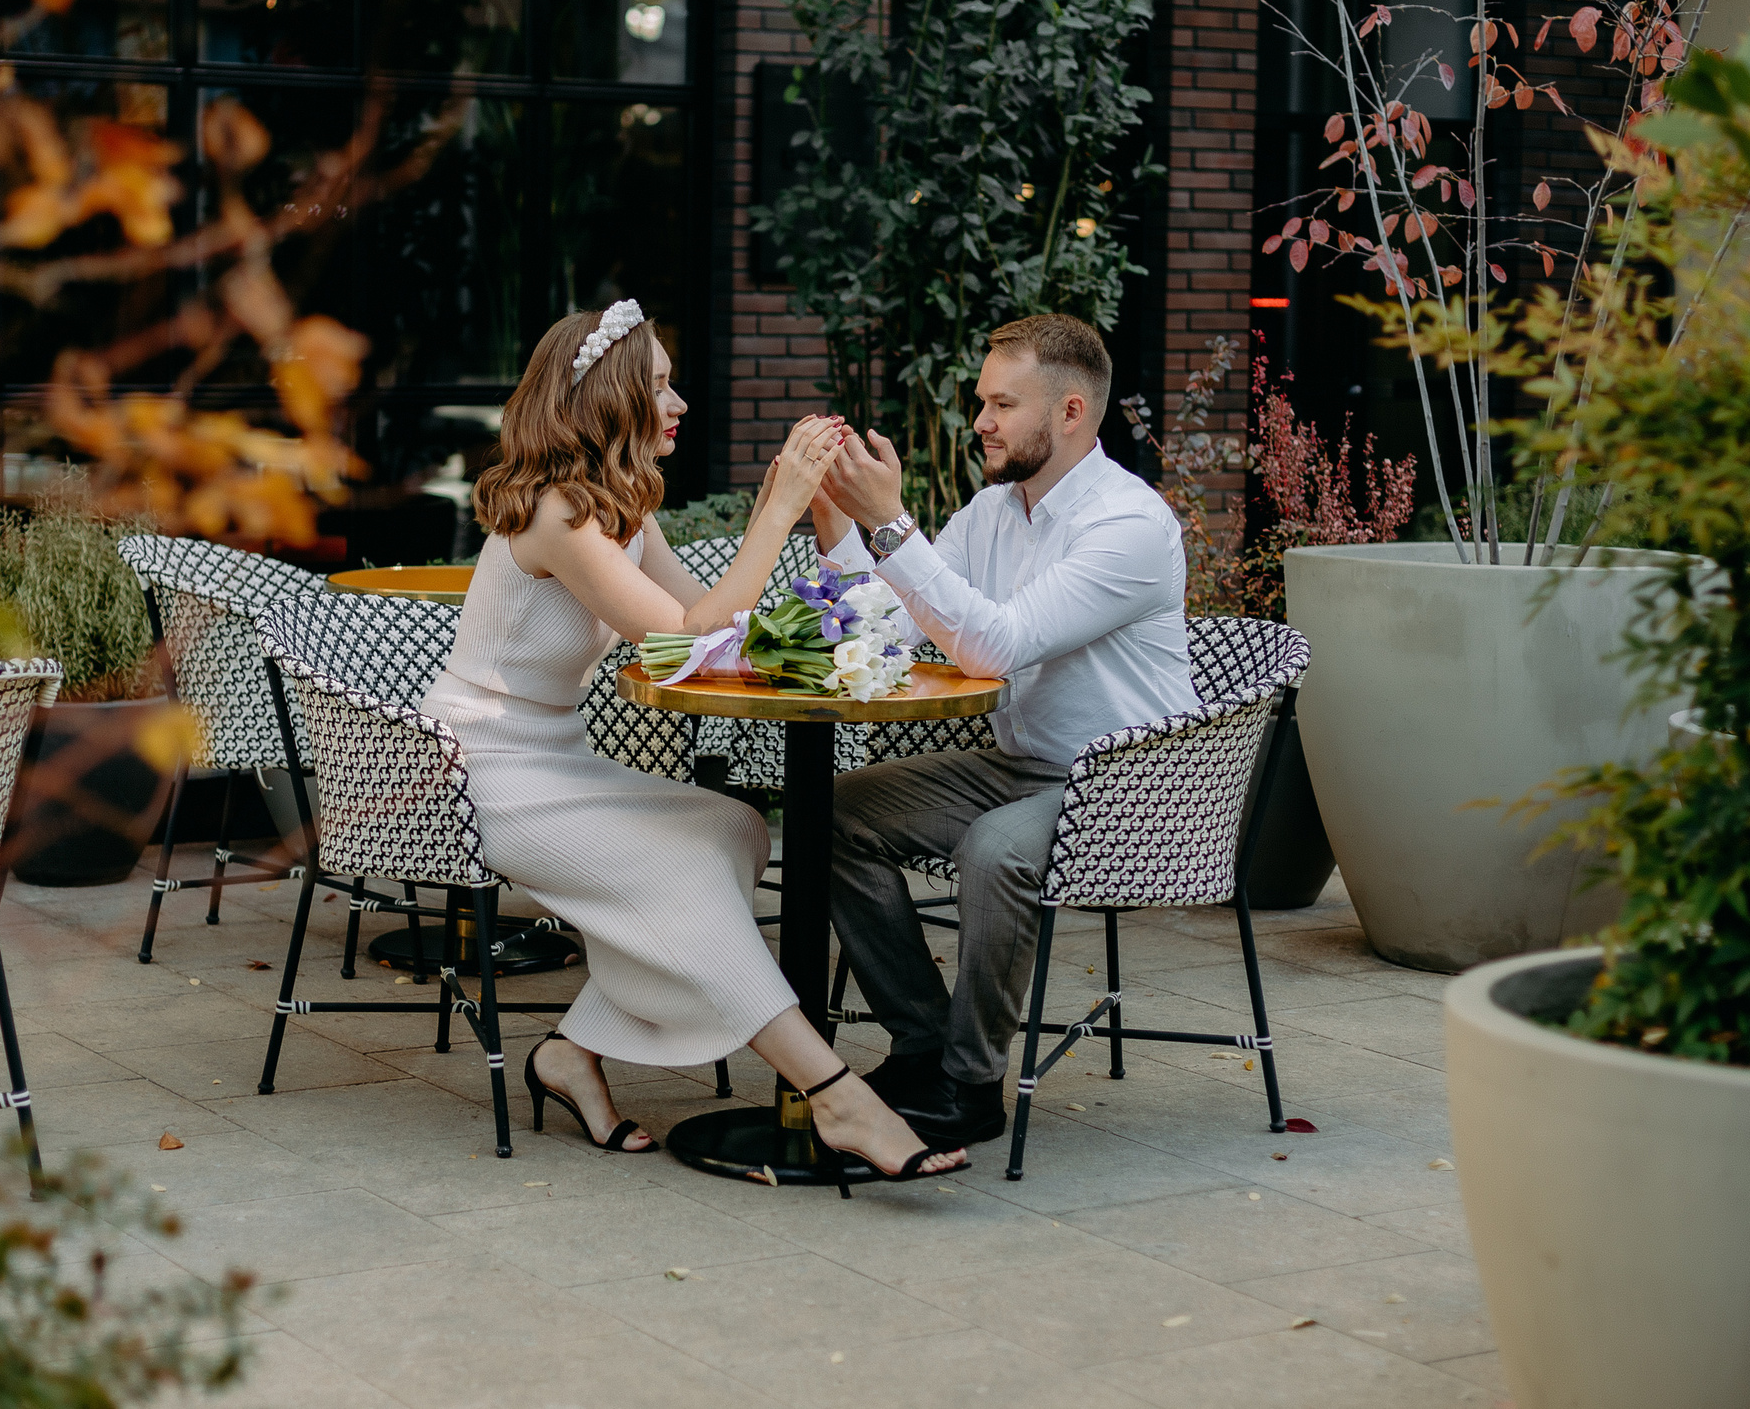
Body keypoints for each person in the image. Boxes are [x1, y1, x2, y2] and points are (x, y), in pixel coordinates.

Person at [421, 299, 965, 1185]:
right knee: (678, 871)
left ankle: (569, 1049)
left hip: (552, 758)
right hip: (478, 770)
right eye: (660, 387)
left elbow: (715, 632)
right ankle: (834, 1094)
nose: (678, 406)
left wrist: (797, 530)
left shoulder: (621, 508)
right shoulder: (560, 512)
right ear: (608, 399)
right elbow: (676, 638)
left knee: (735, 827)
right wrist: (775, 508)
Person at [812, 313, 1193, 1147]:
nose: (979, 421)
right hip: (1025, 765)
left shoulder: (1126, 526)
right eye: (981, 401)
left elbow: (998, 644)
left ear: (1070, 413)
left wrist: (891, 525)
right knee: (831, 810)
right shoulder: (993, 513)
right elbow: (887, 631)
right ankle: (922, 1045)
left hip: (1132, 785)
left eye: (1001, 404)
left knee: (995, 846)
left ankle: (972, 1080)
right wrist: (837, 522)